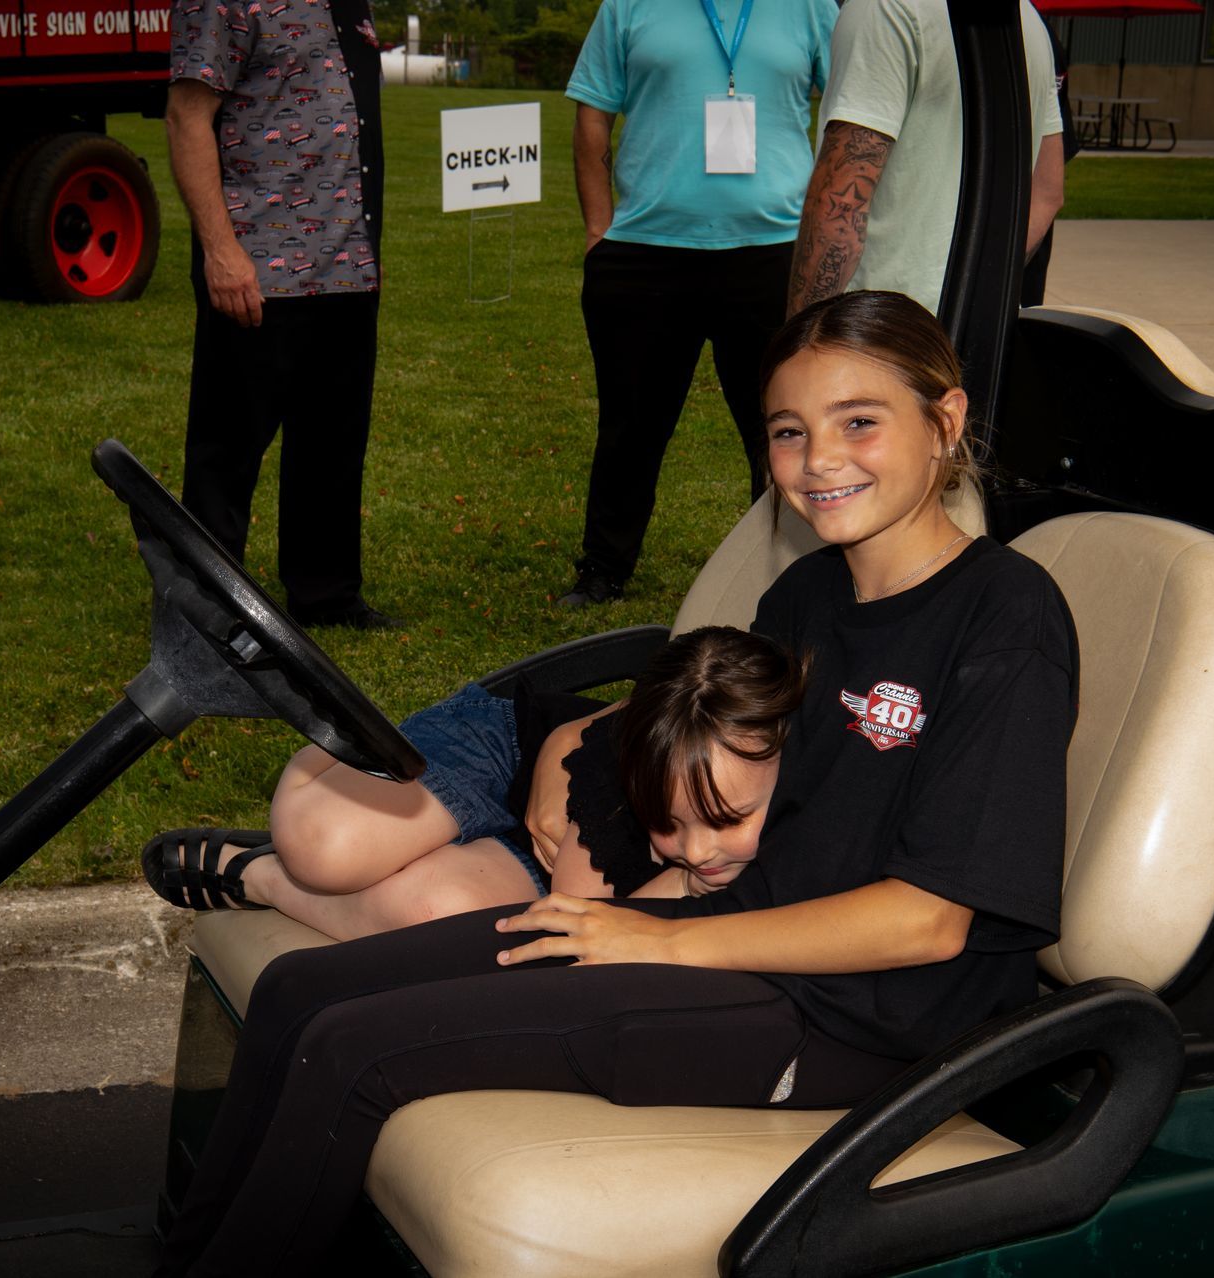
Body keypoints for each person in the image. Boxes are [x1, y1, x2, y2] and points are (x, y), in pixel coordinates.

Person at [152, 291, 1078, 1277]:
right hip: (739, 953)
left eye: (860, 423)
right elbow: (752, 827)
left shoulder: (1005, 620)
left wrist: (656, 946)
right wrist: (617, 925)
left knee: (352, 1053)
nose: (821, 460)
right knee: (301, 992)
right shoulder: (808, 595)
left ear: (945, 422)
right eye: (789, 431)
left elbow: (930, 922)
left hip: (862, 1025)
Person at [139, 626, 804, 939]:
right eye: (672, 824)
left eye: (727, 820)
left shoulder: (786, 761)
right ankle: (339, 750)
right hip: (505, 749)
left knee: (447, 923)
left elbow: (561, 937)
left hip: (544, 856)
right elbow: (581, 924)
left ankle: (259, 876)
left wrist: (685, 876)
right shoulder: (622, 794)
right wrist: (563, 750)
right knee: (324, 845)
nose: (699, 849)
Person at [556, 0, 840, 608]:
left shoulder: (812, 7)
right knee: (631, 425)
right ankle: (604, 568)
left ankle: (788, 564)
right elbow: (592, 115)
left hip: (772, 254)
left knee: (781, 425)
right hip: (645, 253)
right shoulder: (628, 6)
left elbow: (849, 110)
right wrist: (598, 231)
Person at [164, 0, 398, 630]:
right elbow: (188, 116)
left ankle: (326, 596)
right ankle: (205, 609)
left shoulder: (349, 2)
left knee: (332, 445)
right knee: (228, 449)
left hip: (347, 266)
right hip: (256, 267)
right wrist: (219, 250)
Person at [788, 0, 1063, 317]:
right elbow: (1047, 191)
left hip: (879, 334)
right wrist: (986, 283)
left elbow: (840, 207)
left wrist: (801, 342)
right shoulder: (1026, 19)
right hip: (984, 325)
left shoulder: (882, 9)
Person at [1020, 21, 1079, 307]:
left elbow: (1047, 190)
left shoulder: (1032, 35)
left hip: (1012, 245)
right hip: (1010, 253)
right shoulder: (1038, 32)